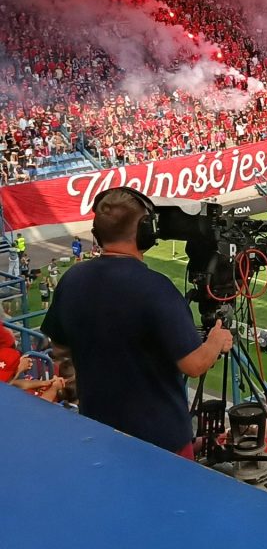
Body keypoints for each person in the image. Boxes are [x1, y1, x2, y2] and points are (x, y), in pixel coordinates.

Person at [41, 187, 233, 457]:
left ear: (97, 232)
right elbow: (194, 365)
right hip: (161, 441)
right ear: (146, 230)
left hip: (99, 429)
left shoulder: (72, 278)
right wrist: (216, 341)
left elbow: (59, 347)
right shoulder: (156, 288)